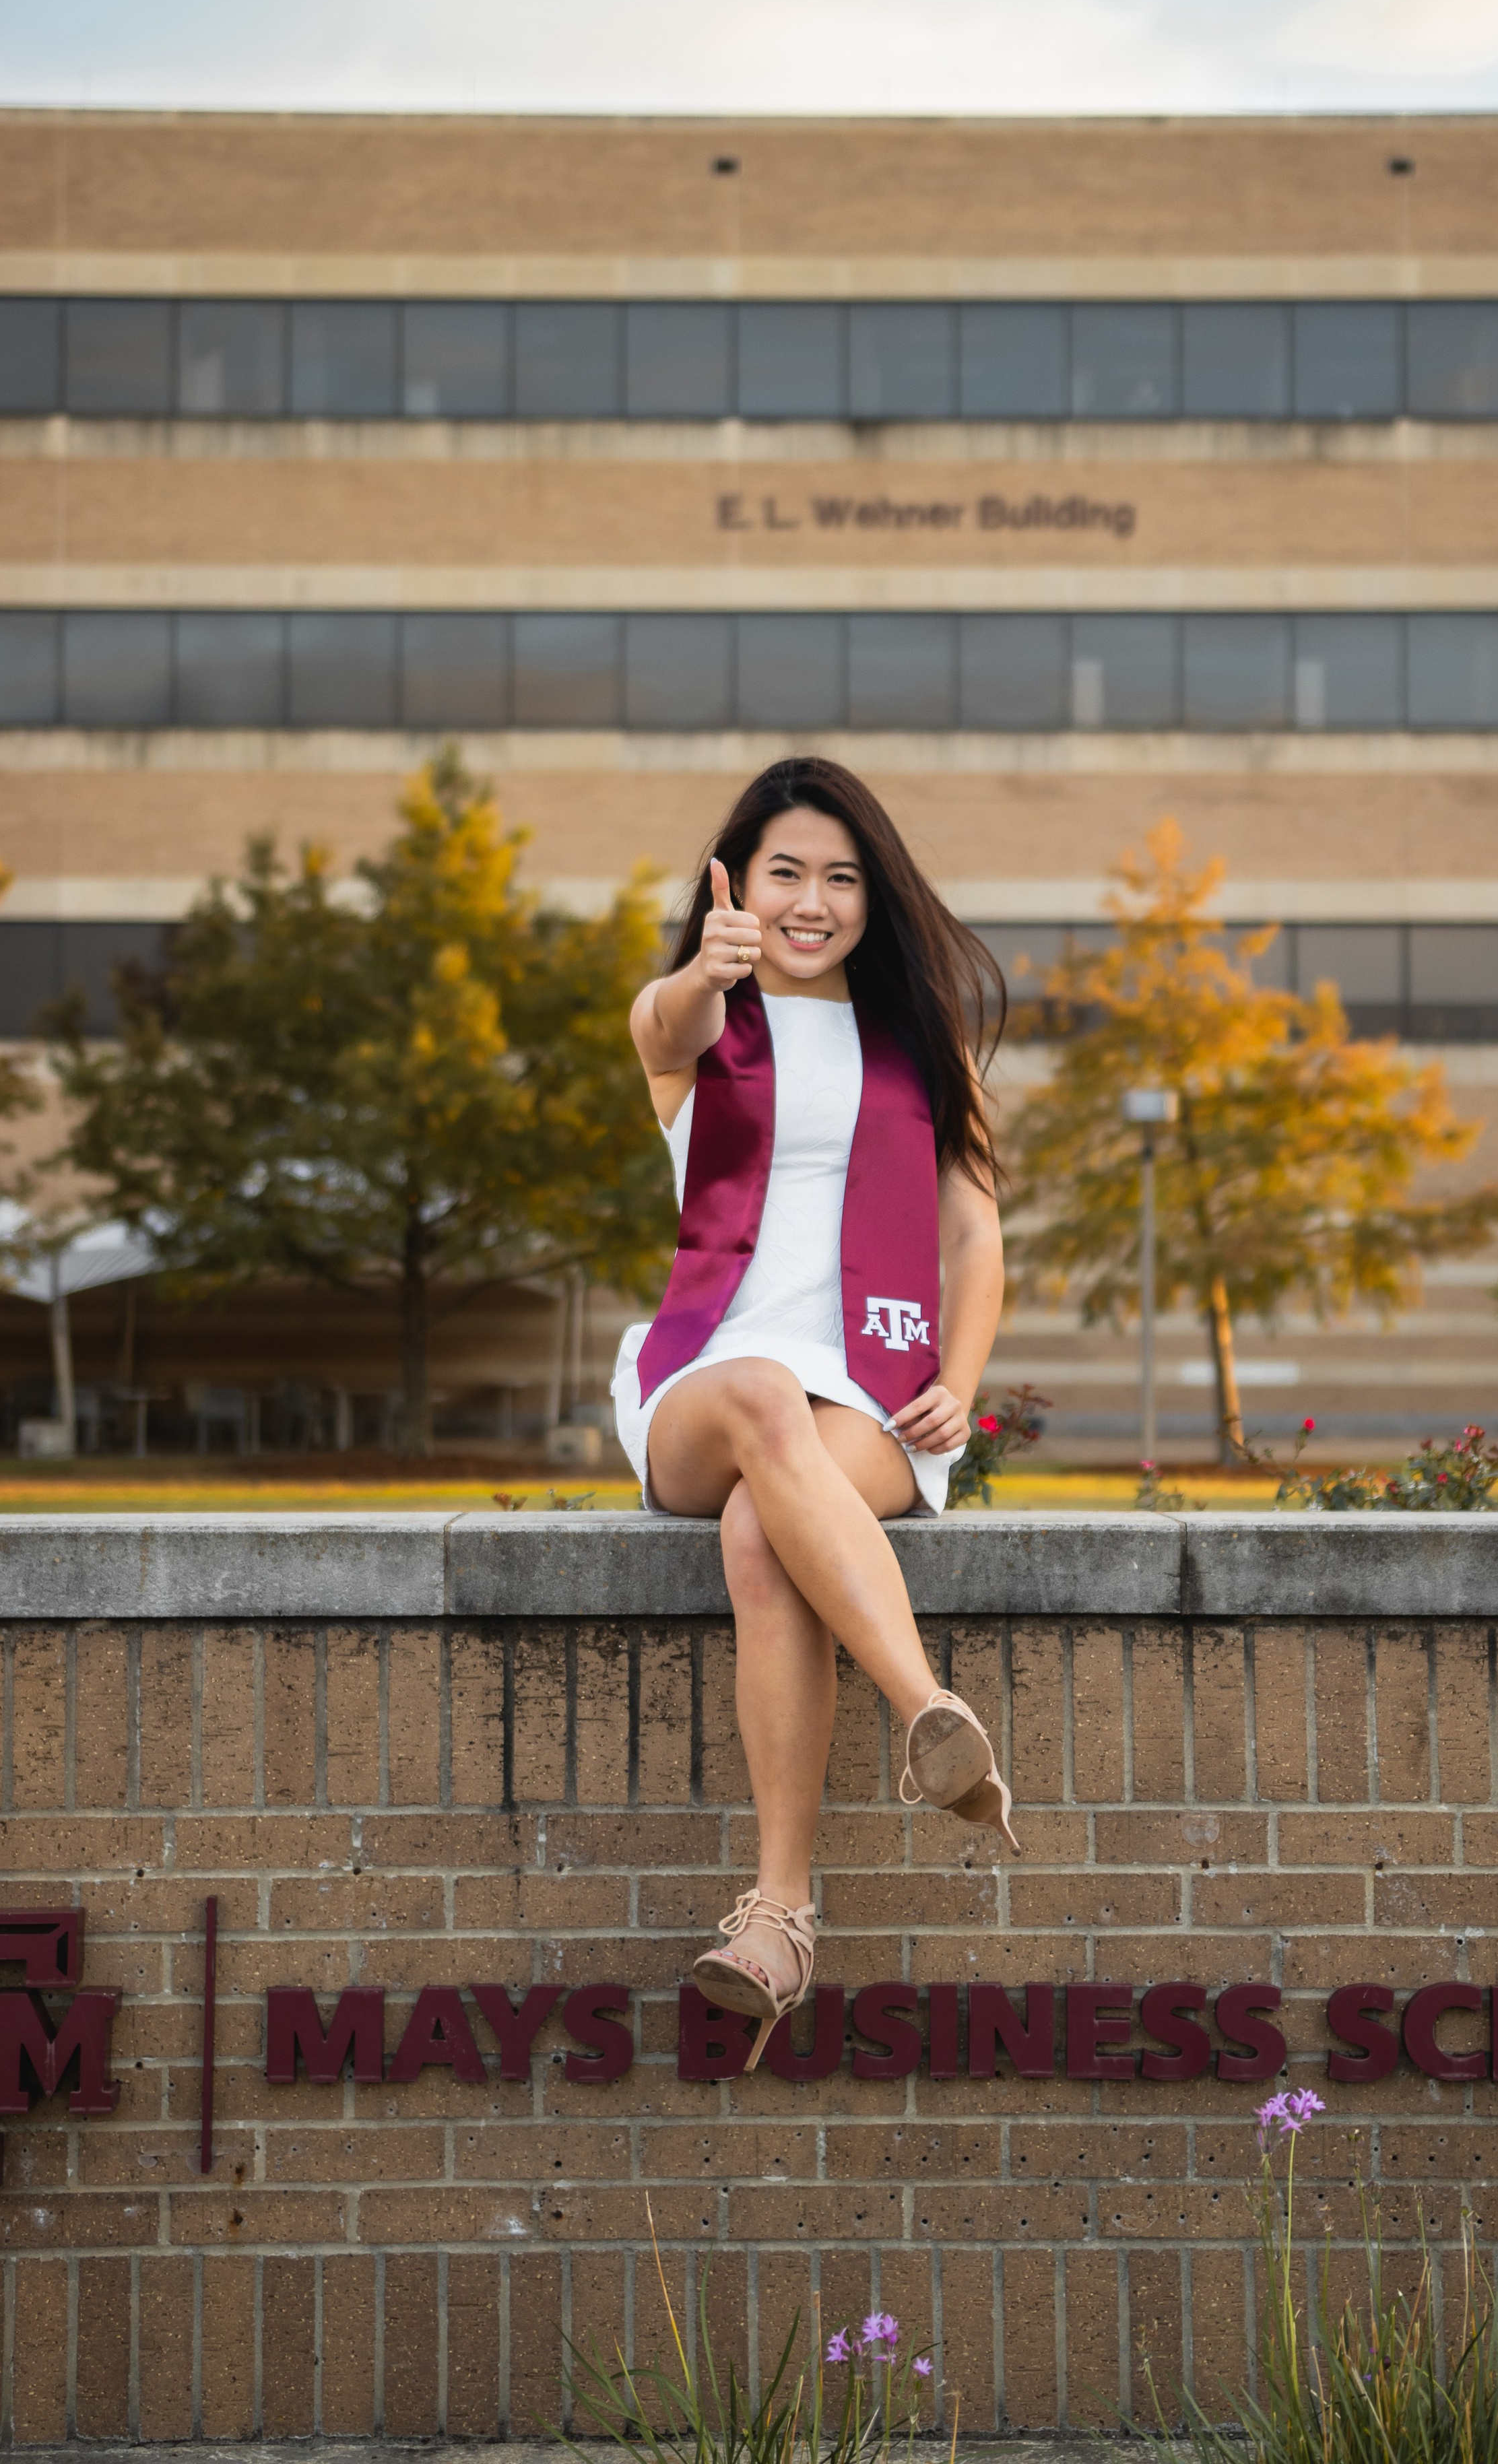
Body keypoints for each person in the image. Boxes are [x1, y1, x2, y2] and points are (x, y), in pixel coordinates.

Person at [613, 758, 1014, 2069]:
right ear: (736, 883)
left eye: (841, 877)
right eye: (784, 871)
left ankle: (778, 1919)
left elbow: (973, 1230)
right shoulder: (691, 1019)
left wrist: (959, 1371)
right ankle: (923, 1711)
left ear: (872, 897)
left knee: (755, 1535)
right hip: (703, 1374)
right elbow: (663, 1027)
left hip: (873, 1387)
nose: (811, 899)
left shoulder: (920, 1045)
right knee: (755, 1395)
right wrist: (704, 972)